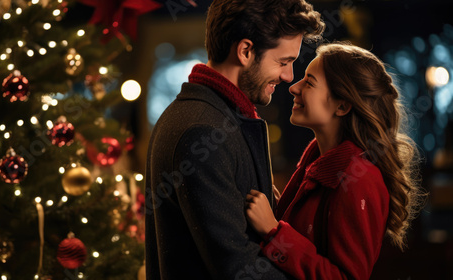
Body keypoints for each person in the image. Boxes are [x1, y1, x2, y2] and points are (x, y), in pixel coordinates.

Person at [145, 0, 324, 279]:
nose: (289, 77)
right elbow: (238, 268)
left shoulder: (208, 115)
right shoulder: (202, 130)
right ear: (245, 51)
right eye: (283, 62)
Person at [246, 42, 423, 280]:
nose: (293, 87)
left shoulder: (358, 179)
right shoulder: (318, 161)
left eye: (309, 82)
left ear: (342, 105)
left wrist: (274, 232)